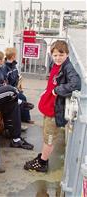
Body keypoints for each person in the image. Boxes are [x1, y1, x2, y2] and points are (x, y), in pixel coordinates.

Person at [24, 40, 81, 172]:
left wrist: (57, 90)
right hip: (49, 107)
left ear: (67, 54)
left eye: (61, 55)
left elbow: (76, 84)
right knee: (46, 136)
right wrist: (48, 90)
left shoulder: (68, 68)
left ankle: (42, 163)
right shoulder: (56, 65)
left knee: (49, 138)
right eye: (55, 55)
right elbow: (53, 81)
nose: (57, 58)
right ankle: (43, 157)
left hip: (55, 111)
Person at [3, 47, 34, 124]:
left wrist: (18, 80)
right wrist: (15, 89)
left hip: (14, 87)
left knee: (22, 96)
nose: (16, 56)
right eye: (15, 55)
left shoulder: (13, 64)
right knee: (22, 98)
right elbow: (6, 82)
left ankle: (25, 118)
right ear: (13, 56)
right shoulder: (5, 67)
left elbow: (15, 75)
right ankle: (24, 118)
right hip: (10, 89)